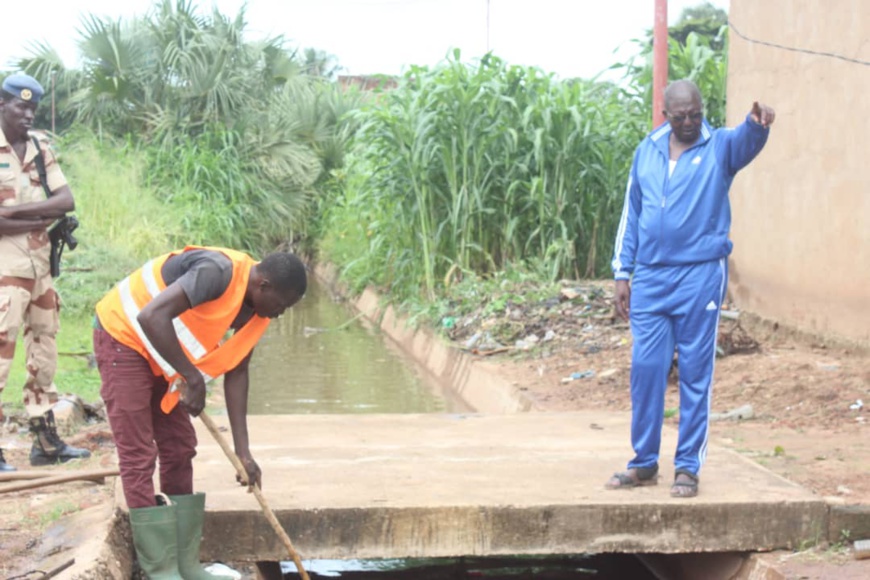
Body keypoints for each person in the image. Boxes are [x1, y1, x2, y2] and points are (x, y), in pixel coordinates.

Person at [93, 246, 306, 579]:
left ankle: (186, 564)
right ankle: (161, 569)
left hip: (163, 352)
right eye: (280, 305)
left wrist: (243, 453)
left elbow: (237, 371)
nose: (279, 314)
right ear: (263, 285)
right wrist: (192, 377)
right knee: (138, 453)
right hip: (126, 337)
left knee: (179, 446)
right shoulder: (217, 272)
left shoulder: (257, 311)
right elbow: (150, 316)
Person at [606, 79, 775, 498]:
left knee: (696, 372)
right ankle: (644, 462)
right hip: (651, 278)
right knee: (646, 370)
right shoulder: (647, 151)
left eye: (695, 114)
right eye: (680, 116)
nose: (688, 122)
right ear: (666, 114)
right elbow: (633, 212)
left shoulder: (719, 147)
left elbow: (744, 142)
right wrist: (621, 273)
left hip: (699, 276)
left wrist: (757, 125)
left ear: (703, 110)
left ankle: (687, 467)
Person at [0, 73, 91, 472]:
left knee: (45, 350)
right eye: (20, 106)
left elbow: (66, 201)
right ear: (2, 105)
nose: (28, 114)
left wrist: (16, 213)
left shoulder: (39, 146)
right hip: (5, 269)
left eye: (33, 107)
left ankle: (45, 442)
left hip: (39, 268)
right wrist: (40, 213)